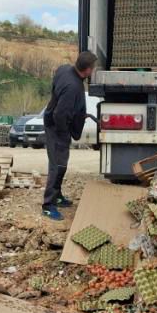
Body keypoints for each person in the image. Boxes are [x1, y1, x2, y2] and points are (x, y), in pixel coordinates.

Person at [42, 51, 98, 221]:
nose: (93, 71)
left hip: (55, 122)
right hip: (56, 127)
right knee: (57, 165)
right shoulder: (72, 86)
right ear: (87, 70)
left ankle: (58, 196)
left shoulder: (65, 69)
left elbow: (56, 90)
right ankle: (48, 205)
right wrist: (63, 134)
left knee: (61, 164)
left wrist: (78, 115)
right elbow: (60, 114)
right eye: (93, 68)